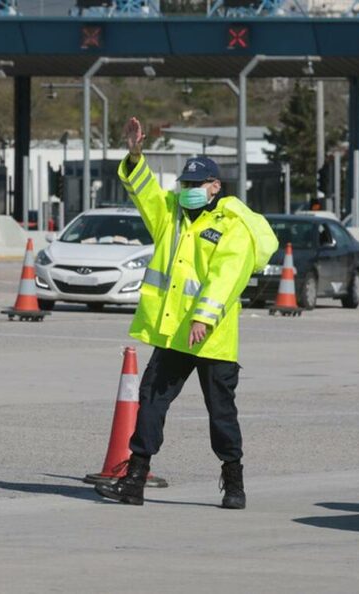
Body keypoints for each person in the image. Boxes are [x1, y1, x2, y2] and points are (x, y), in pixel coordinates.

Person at [95, 117, 276, 510]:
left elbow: (226, 277)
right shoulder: (170, 215)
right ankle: (135, 480)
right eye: (185, 185)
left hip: (213, 337)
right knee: (151, 401)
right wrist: (135, 153)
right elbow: (142, 191)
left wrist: (203, 318)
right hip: (174, 332)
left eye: (197, 185)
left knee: (221, 412)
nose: (189, 191)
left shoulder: (233, 226)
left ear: (215, 187)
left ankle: (234, 482)